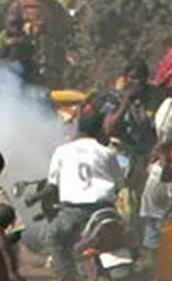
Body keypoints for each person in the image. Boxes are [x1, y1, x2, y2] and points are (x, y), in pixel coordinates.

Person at [40, 108, 124, 281]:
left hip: (74, 212)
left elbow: (51, 187)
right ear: (99, 129)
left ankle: (68, 277)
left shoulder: (62, 151)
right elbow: (119, 184)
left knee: (53, 237)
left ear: (78, 128)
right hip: (106, 209)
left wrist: (37, 197)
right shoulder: (106, 152)